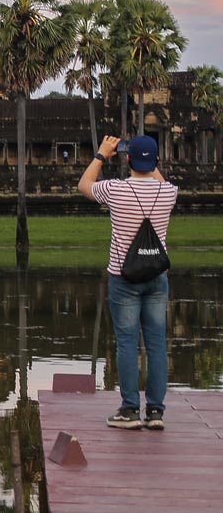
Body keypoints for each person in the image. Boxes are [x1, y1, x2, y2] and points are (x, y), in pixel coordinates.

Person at [80, 134, 177, 430]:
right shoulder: (169, 192)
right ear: (156, 161)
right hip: (157, 277)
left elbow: (84, 186)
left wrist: (101, 154)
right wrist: (150, 162)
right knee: (157, 344)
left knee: (126, 343)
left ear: (129, 159)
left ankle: (130, 410)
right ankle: (156, 412)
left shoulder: (116, 189)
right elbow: (158, 180)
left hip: (123, 278)